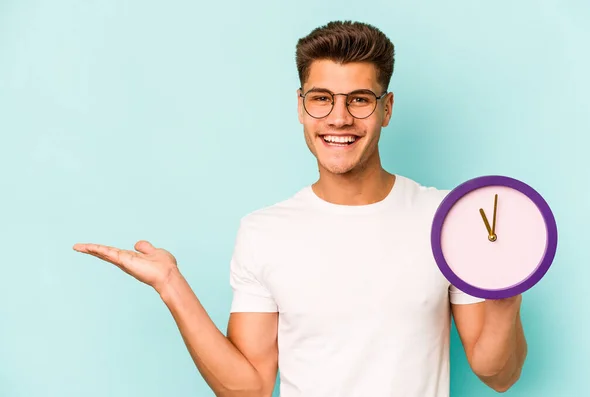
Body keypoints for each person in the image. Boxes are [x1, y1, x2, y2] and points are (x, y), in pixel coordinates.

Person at [73, 20, 527, 397]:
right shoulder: (263, 232)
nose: (339, 118)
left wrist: (506, 296)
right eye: (322, 98)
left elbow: (497, 374)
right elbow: (248, 386)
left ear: (386, 109)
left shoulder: (446, 218)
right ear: (301, 106)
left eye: (360, 100)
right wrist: (171, 285)